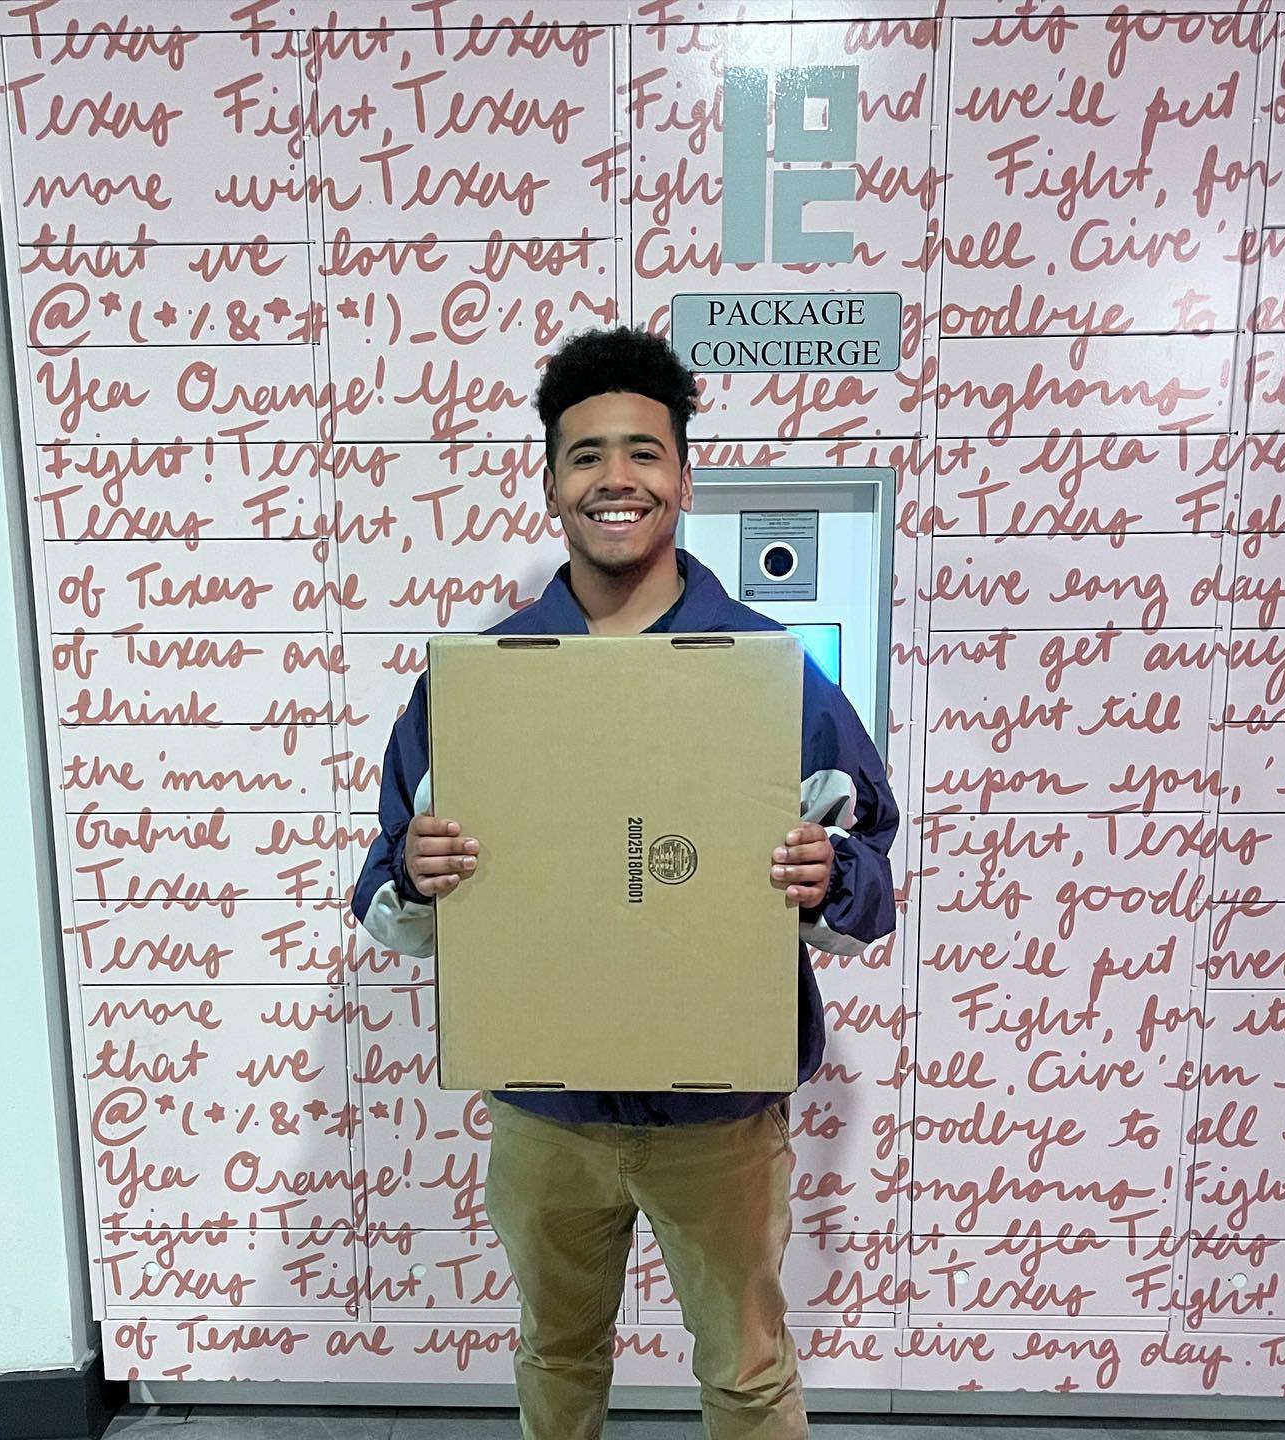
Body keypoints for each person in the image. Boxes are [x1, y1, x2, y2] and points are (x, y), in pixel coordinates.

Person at [353, 325, 898, 1440]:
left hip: (720, 1113)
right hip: (545, 1112)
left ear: (684, 478)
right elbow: (382, 902)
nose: (617, 478)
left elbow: (871, 882)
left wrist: (824, 873)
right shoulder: (477, 685)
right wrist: (417, 872)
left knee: (747, 1374)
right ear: (550, 483)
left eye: (644, 452)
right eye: (587, 454)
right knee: (556, 1357)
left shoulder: (770, 675)